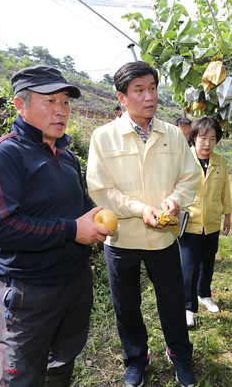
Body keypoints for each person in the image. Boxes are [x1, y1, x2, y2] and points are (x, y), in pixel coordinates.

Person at [0, 65, 113, 387]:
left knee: (61, 364)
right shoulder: (4, 154)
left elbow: (77, 209)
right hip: (29, 291)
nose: (61, 111)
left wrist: (96, 219)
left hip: (75, 283)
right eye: (51, 101)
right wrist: (74, 230)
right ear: (21, 105)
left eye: (66, 102)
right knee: (20, 377)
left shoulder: (67, 156)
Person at [86, 61, 201, 387]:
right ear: (122, 97)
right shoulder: (103, 137)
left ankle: (180, 355)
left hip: (163, 240)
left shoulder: (173, 135)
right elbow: (100, 190)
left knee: (172, 303)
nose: (149, 97)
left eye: (152, 88)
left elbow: (189, 177)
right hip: (121, 239)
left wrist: (175, 200)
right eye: (139, 90)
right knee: (126, 306)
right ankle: (136, 359)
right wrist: (138, 209)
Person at [179, 116, 232, 328]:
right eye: (203, 138)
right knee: (189, 266)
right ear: (193, 138)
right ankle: (189, 307)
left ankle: (204, 294)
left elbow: (225, 190)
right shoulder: (183, 160)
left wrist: (227, 215)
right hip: (189, 223)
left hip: (211, 223)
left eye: (212, 138)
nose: (207, 143)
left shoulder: (220, 162)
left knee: (208, 262)